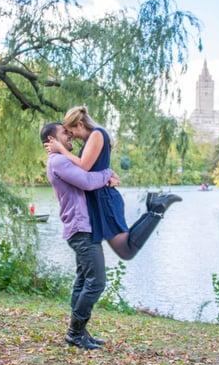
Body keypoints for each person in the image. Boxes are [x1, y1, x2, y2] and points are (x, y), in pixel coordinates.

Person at [45, 106, 182, 260]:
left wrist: (62, 150)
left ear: (81, 125)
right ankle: (154, 207)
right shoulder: (91, 139)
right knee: (126, 246)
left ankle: (157, 209)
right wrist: (108, 173)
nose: (72, 136)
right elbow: (92, 168)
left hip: (104, 199)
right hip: (100, 199)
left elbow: (84, 167)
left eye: (71, 131)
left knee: (126, 251)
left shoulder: (96, 134)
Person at [41, 122, 119, 350]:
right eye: (64, 133)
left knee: (84, 280)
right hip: (80, 228)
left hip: (83, 227)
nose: (70, 135)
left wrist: (104, 177)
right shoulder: (58, 161)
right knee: (97, 282)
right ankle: (74, 333)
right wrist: (107, 174)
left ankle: (79, 331)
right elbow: (86, 181)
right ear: (51, 141)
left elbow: (86, 177)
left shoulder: (62, 160)